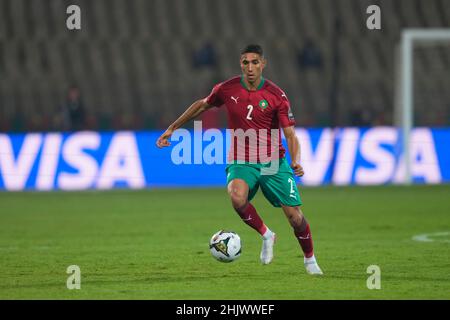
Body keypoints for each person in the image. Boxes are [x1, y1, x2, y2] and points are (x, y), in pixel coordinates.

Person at [156, 44, 323, 275]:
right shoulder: (227, 89)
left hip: (272, 161)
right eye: (246, 62)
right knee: (236, 197)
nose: (250, 67)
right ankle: (267, 235)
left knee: (295, 217)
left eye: (255, 62)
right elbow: (202, 106)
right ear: (240, 64)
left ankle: (310, 259)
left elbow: (290, 134)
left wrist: (295, 160)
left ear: (263, 64)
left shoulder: (277, 96)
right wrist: (172, 128)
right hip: (241, 158)